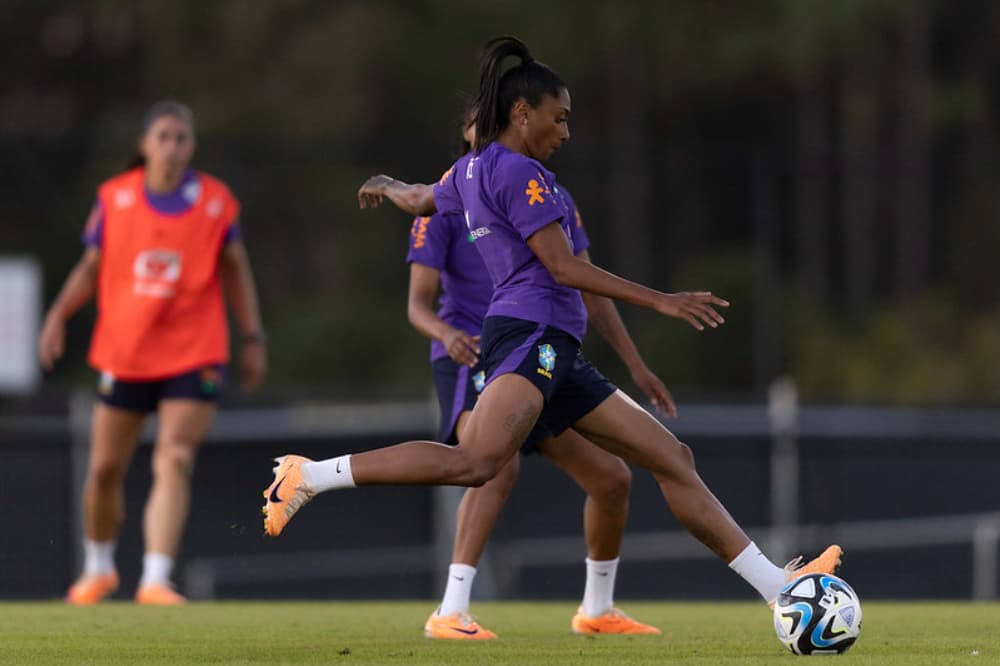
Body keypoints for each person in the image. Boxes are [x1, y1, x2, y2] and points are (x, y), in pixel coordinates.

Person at [263, 36, 840, 622]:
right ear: (522, 112)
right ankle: (308, 475)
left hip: (555, 347)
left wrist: (385, 184)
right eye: (558, 118)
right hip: (529, 335)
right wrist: (660, 300)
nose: (565, 131)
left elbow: (418, 199)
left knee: (671, 457)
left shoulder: (467, 171)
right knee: (477, 463)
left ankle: (778, 587)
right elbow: (565, 269)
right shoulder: (522, 175)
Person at [405, 108, 671, 638]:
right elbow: (417, 306)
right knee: (492, 465)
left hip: (541, 355)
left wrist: (636, 364)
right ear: (465, 131)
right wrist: (446, 334)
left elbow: (587, 286)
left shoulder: (552, 197)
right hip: (478, 356)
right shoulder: (446, 202)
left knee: (611, 477)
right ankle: (451, 609)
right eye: (479, 121)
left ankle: (597, 610)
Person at [39, 100, 267, 605]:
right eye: (162, 136)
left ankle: (155, 578)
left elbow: (236, 270)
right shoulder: (115, 198)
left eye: (181, 138)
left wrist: (253, 337)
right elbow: (89, 266)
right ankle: (98, 568)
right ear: (144, 145)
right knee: (104, 468)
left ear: (192, 146)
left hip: (194, 350)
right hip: (126, 350)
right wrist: (57, 315)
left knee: (175, 456)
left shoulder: (215, 202)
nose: (172, 146)